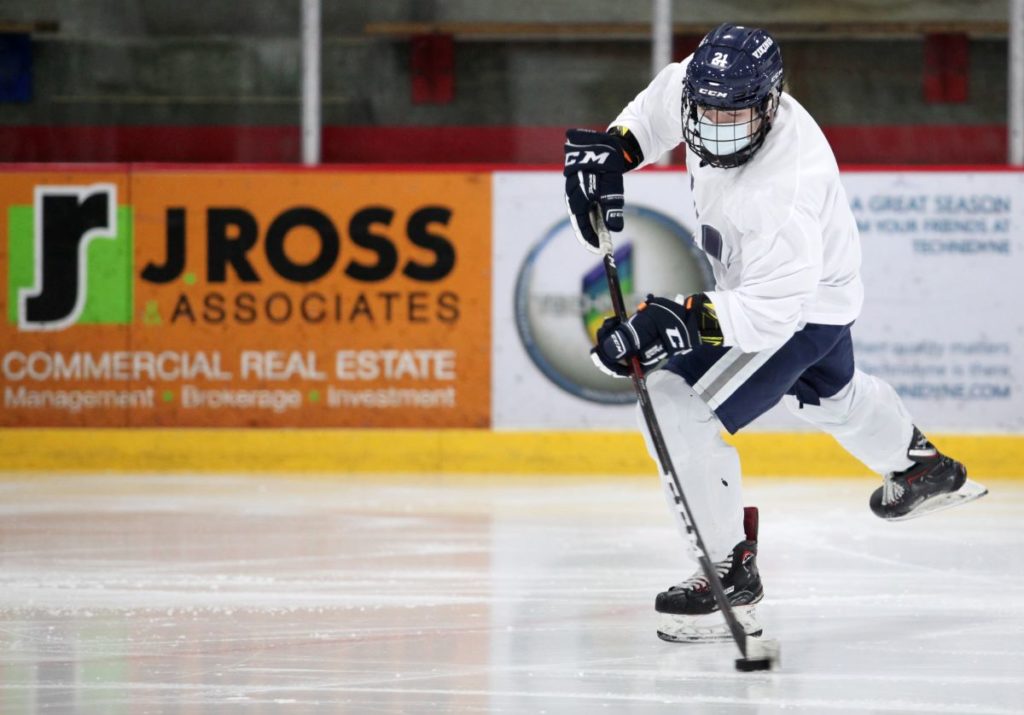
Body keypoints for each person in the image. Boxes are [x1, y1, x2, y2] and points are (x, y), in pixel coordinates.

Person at [562, 22, 988, 643]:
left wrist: (674, 321)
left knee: (676, 401)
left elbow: (768, 316)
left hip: (796, 306)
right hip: (819, 287)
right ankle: (921, 467)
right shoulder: (701, 87)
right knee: (832, 395)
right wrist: (616, 151)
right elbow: (657, 110)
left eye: (732, 113)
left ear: (769, 103)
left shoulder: (779, 191)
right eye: (703, 110)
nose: (713, 126)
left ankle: (730, 575)